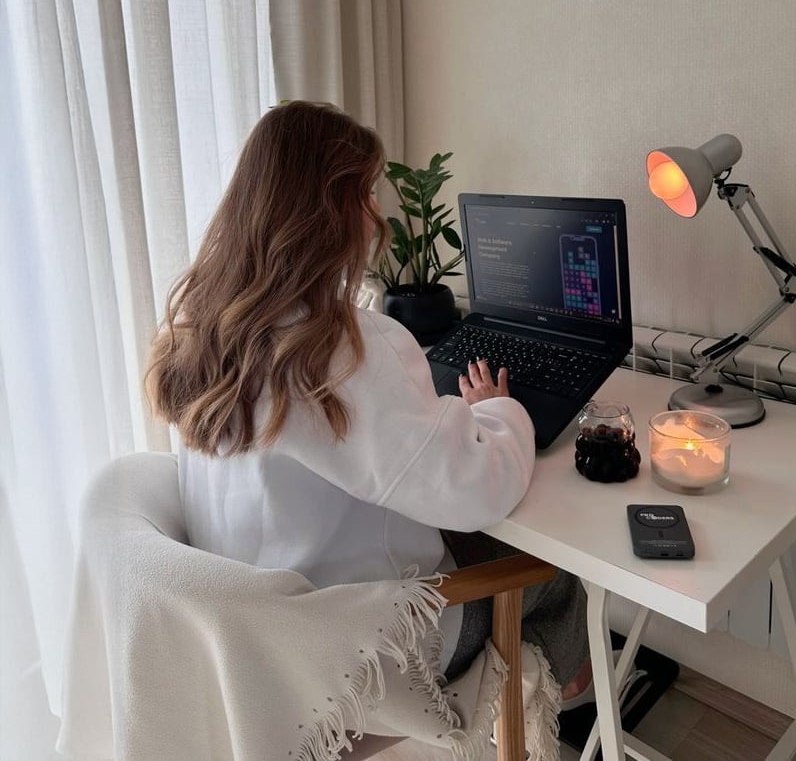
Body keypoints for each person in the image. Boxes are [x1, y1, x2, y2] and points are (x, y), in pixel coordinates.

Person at [145, 100, 591, 702]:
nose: (376, 213)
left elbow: (376, 451)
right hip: (367, 653)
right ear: (331, 211)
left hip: (259, 647)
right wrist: (495, 410)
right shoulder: (339, 349)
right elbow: (476, 489)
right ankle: (572, 702)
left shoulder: (203, 334)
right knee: (557, 571)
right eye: (367, 194)